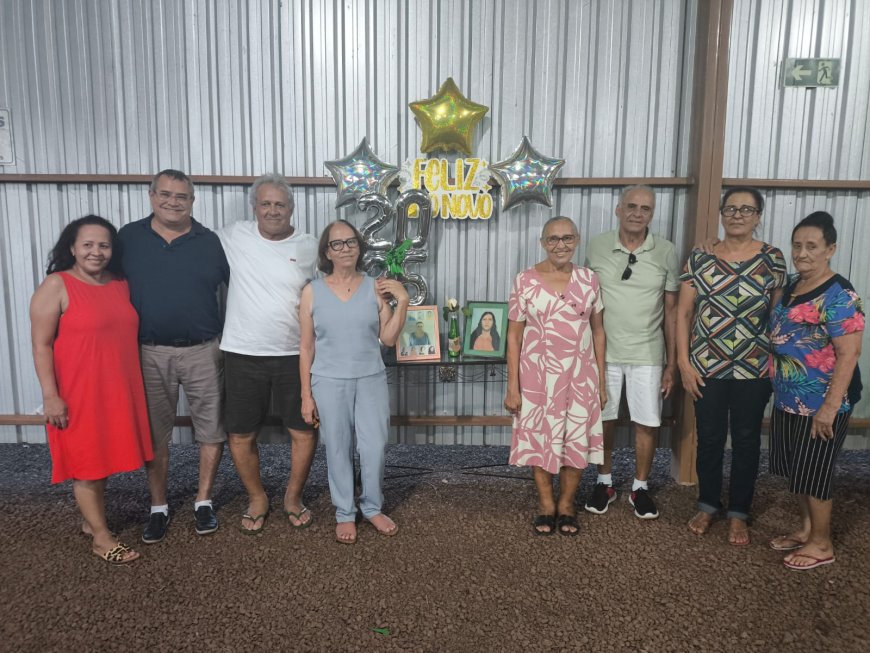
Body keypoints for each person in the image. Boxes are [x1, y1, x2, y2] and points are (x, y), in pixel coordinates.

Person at [31, 215, 153, 564]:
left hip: (115, 387)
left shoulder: (119, 284)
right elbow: (41, 345)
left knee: (102, 457)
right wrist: (50, 395)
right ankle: (101, 537)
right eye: (87, 244)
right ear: (71, 247)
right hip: (79, 391)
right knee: (87, 462)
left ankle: (91, 521)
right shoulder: (56, 286)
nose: (95, 252)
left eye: (103, 245)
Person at [119, 170, 229, 543]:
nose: (173, 201)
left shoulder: (210, 242)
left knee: (211, 429)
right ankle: (159, 506)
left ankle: (203, 501)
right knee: (154, 434)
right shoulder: (128, 239)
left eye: (181, 196)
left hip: (203, 349)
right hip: (149, 351)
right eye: (165, 194)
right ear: (151, 196)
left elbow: (236, 288)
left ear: (192, 201)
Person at [676, 187, 787, 545]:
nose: (737, 215)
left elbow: (778, 316)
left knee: (746, 440)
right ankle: (708, 504)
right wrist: (683, 362)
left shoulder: (773, 259)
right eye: (731, 208)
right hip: (706, 366)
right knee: (708, 439)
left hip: (754, 369)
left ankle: (740, 511)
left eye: (746, 209)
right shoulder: (701, 258)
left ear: (758, 216)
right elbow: (683, 313)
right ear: (721, 214)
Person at [299, 220, 409, 544]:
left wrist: (402, 301)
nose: (345, 248)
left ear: (359, 247)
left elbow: (388, 339)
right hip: (328, 381)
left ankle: (372, 507)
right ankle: (345, 512)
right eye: (337, 244)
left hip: (370, 378)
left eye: (350, 242)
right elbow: (306, 347)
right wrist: (306, 395)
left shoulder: (376, 288)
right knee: (337, 447)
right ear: (326, 252)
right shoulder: (312, 292)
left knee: (373, 447)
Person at [219, 173, 318, 534]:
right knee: (241, 433)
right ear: (254, 207)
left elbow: (332, 289)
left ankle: (293, 497)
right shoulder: (232, 236)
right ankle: (258, 497)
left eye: (280, 204)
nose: (272, 210)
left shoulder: (309, 246)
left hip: (296, 354)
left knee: (303, 430)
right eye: (266, 204)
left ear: (291, 208)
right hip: (242, 352)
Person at [768, 212, 863, 570]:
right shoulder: (793, 286)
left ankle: (822, 544)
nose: (802, 253)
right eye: (797, 245)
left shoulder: (840, 293)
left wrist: (829, 406)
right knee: (799, 469)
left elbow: (849, 352)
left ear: (830, 249)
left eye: (812, 246)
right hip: (789, 397)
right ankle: (807, 529)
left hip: (822, 402)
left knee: (817, 470)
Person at [504, 216, 607, 536]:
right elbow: (513, 336)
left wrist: (601, 382)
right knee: (540, 439)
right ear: (542, 243)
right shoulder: (525, 280)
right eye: (553, 239)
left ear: (577, 240)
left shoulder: (589, 279)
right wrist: (512, 386)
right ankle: (546, 505)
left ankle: (566, 505)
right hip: (536, 379)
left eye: (567, 238)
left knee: (575, 440)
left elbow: (599, 332)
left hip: (579, 377)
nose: (560, 245)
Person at [584, 185, 679, 519]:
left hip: (648, 353)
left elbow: (671, 311)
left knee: (647, 422)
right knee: (603, 420)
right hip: (603, 352)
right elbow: (584, 304)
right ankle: (604, 480)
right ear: (618, 209)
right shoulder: (595, 246)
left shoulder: (666, 251)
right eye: (632, 206)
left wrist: (672, 362)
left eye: (646, 209)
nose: (638, 214)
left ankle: (640, 487)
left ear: (653, 214)